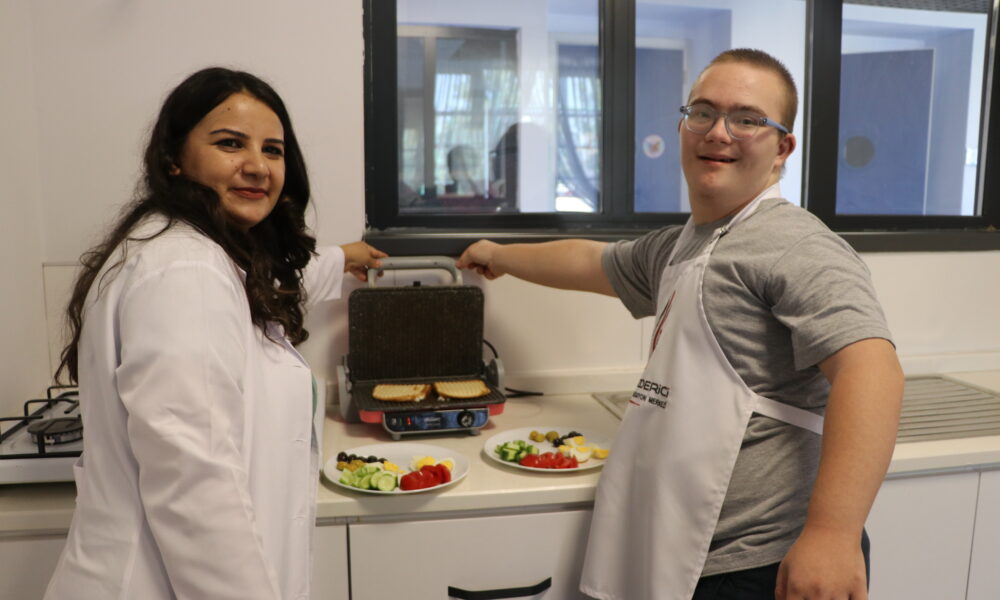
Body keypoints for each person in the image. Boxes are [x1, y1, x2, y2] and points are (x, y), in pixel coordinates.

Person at [456, 49, 904, 600]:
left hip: (765, 561)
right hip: (686, 551)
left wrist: (832, 535)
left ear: (782, 148)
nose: (718, 132)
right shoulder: (681, 245)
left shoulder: (796, 244)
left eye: (747, 119)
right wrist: (498, 255)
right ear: (682, 126)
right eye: (703, 112)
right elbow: (591, 262)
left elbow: (872, 373)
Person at [44, 67, 386, 599]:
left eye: (273, 150)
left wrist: (343, 259)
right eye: (230, 143)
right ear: (173, 159)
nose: (257, 166)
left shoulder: (191, 252)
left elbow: (272, 292)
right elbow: (195, 486)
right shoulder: (187, 271)